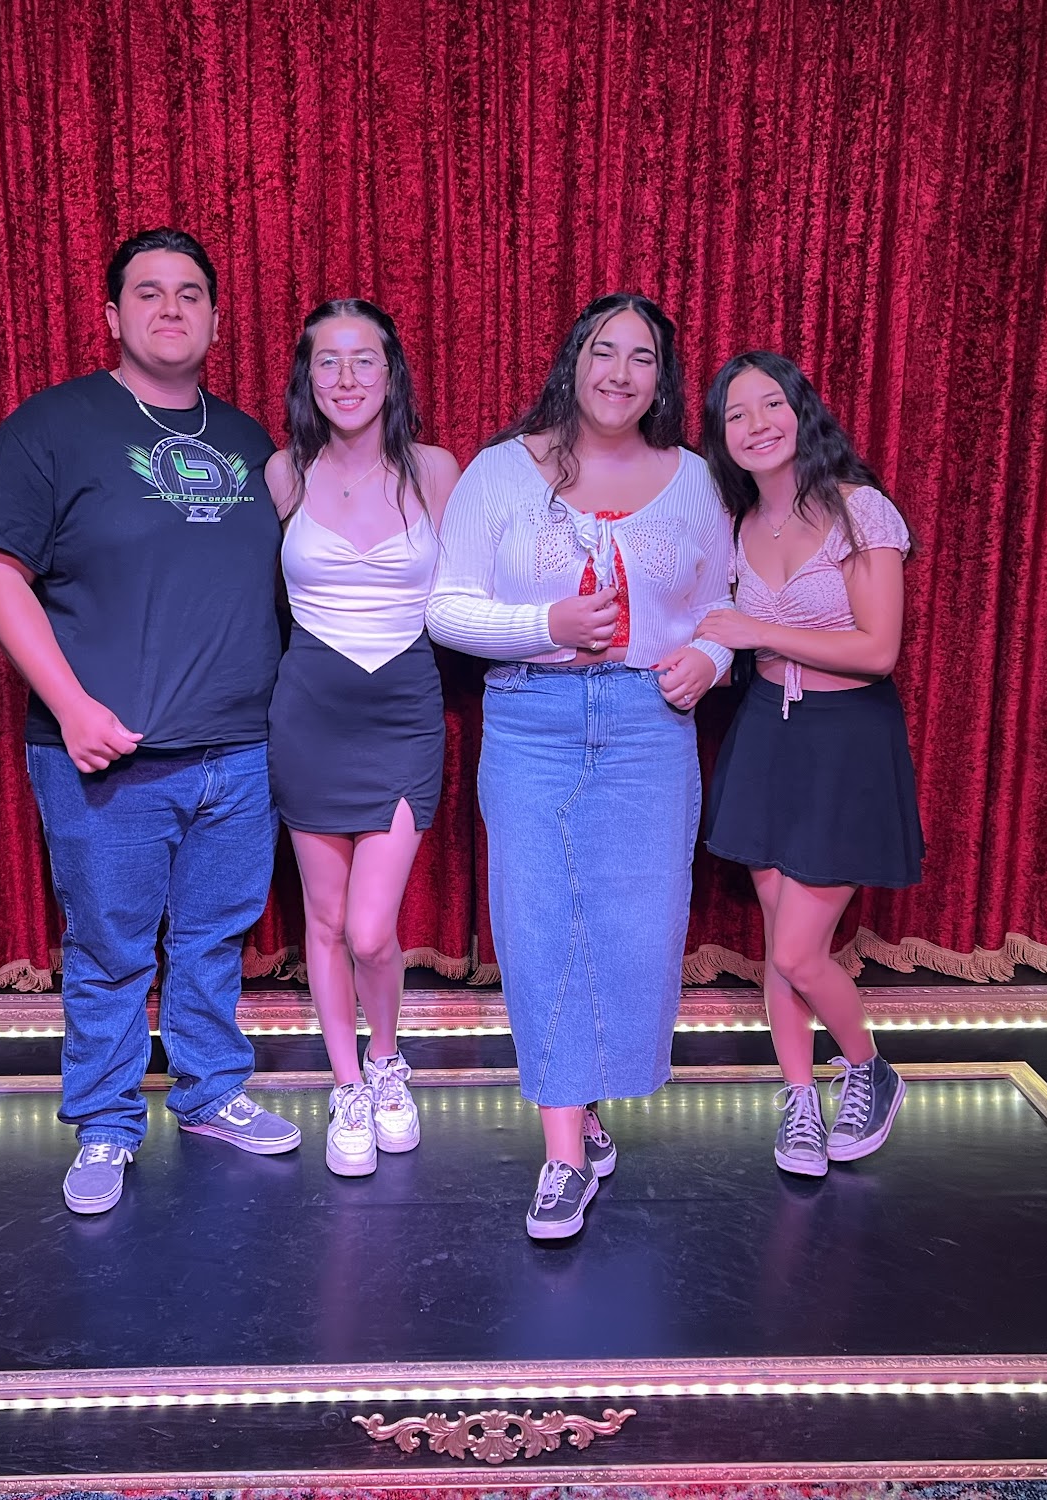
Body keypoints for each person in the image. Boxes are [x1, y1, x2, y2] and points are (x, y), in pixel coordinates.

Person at [0, 227, 299, 1217]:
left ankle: (210, 1093)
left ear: (216, 320)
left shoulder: (250, 443)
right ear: (111, 315)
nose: (170, 308)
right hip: (110, 756)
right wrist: (70, 706)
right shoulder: (52, 426)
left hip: (241, 752)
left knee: (215, 938)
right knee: (110, 950)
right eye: (147, 292)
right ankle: (106, 1123)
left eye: (190, 293)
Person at [427, 292, 733, 1240]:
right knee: (540, 925)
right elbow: (446, 608)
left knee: (637, 928)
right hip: (532, 716)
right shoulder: (500, 471)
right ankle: (564, 1151)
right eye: (605, 350)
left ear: (661, 380)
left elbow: (727, 600)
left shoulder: (695, 480)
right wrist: (545, 624)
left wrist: (710, 657)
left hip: (649, 724)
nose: (620, 372)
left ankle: (592, 1112)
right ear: (575, 360)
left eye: (642, 357)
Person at [694, 351, 924, 1179]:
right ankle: (799, 1096)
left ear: (802, 411)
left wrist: (758, 631)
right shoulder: (735, 525)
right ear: (721, 437)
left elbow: (879, 649)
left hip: (845, 739)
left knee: (798, 951)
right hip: (766, 732)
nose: (756, 425)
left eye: (771, 405)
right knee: (776, 937)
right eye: (736, 414)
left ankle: (868, 1067)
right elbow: (709, 627)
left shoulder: (862, 511)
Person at [265, 298, 459, 1177]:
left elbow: (473, 590)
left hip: (404, 710)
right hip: (309, 713)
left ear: (392, 373)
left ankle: (387, 1061)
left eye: (364, 360)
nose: (346, 378)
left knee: (374, 930)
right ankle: (347, 1084)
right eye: (328, 361)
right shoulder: (284, 473)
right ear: (308, 377)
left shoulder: (435, 470)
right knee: (327, 919)